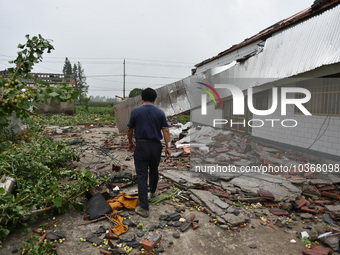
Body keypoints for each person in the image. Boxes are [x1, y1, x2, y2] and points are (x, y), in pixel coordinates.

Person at [127, 88, 171, 217]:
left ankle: (144, 208)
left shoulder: (136, 111)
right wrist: (168, 147)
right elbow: (166, 131)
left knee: (141, 175)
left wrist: (130, 142)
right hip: (156, 146)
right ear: (154, 99)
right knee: (154, 169)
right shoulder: (160, 113)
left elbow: (130, 129)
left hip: (141, 145)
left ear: (142, 98)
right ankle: (152, 192)